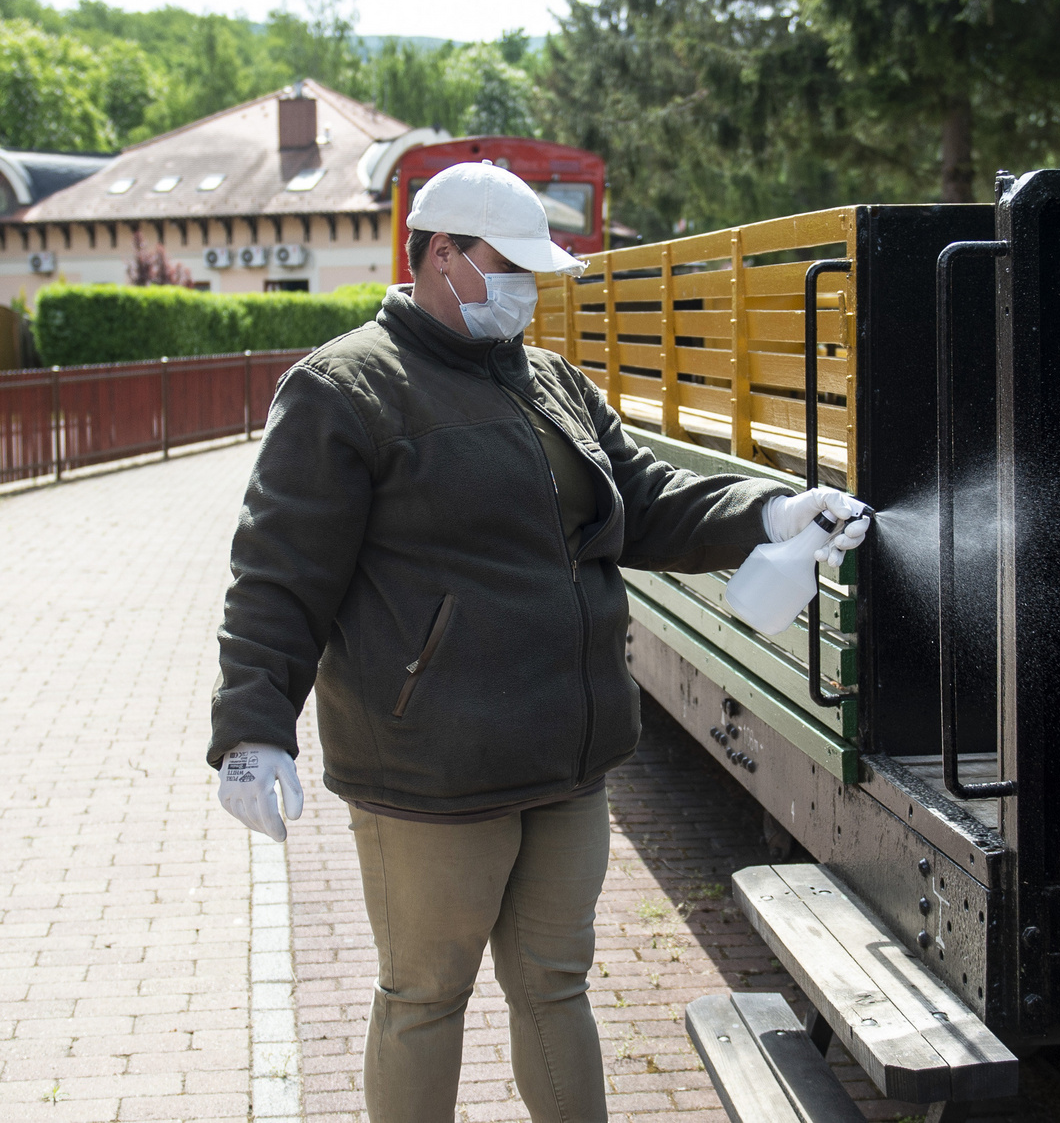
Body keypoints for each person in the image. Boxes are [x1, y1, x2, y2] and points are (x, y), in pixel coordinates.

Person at [208, 161, 869, 1123]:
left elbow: (641, 498)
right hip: (430, 771)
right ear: (441, 256)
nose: (525, 287)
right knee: (425, 996)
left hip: (568, 757)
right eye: (507, 265)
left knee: (555, 986)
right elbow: (278, 575)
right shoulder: (345, 391)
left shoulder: (550, 381)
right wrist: (252, 727)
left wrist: (766, 510)